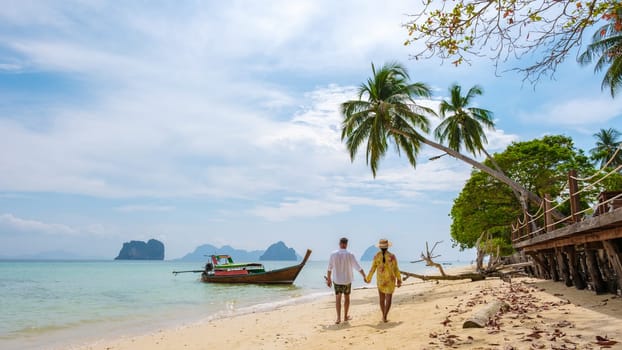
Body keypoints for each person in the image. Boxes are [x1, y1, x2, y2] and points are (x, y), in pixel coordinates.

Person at [326, 237, 366, 324]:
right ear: (346, 244)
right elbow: (357, 267)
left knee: (338, 299)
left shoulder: (333, 254)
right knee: (347, 298)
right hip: (347, 281)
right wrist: (364, 276)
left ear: (340, 244)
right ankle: (345, 317)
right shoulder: (350, 254)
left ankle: (338, 318)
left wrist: (329, 279)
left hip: (337, 281)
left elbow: (329, 268)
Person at [366, 238, 401, 323]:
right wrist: (399, 279)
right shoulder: (392, 256)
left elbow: (373, 268)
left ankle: (383, 315)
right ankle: (385, 316)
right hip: (390, 280)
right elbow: (396, 269)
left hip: (380, 280)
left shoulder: (376, 256)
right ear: (387, 247)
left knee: (381, 299)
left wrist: (368, 278)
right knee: (388, 299)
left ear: (380, 247)